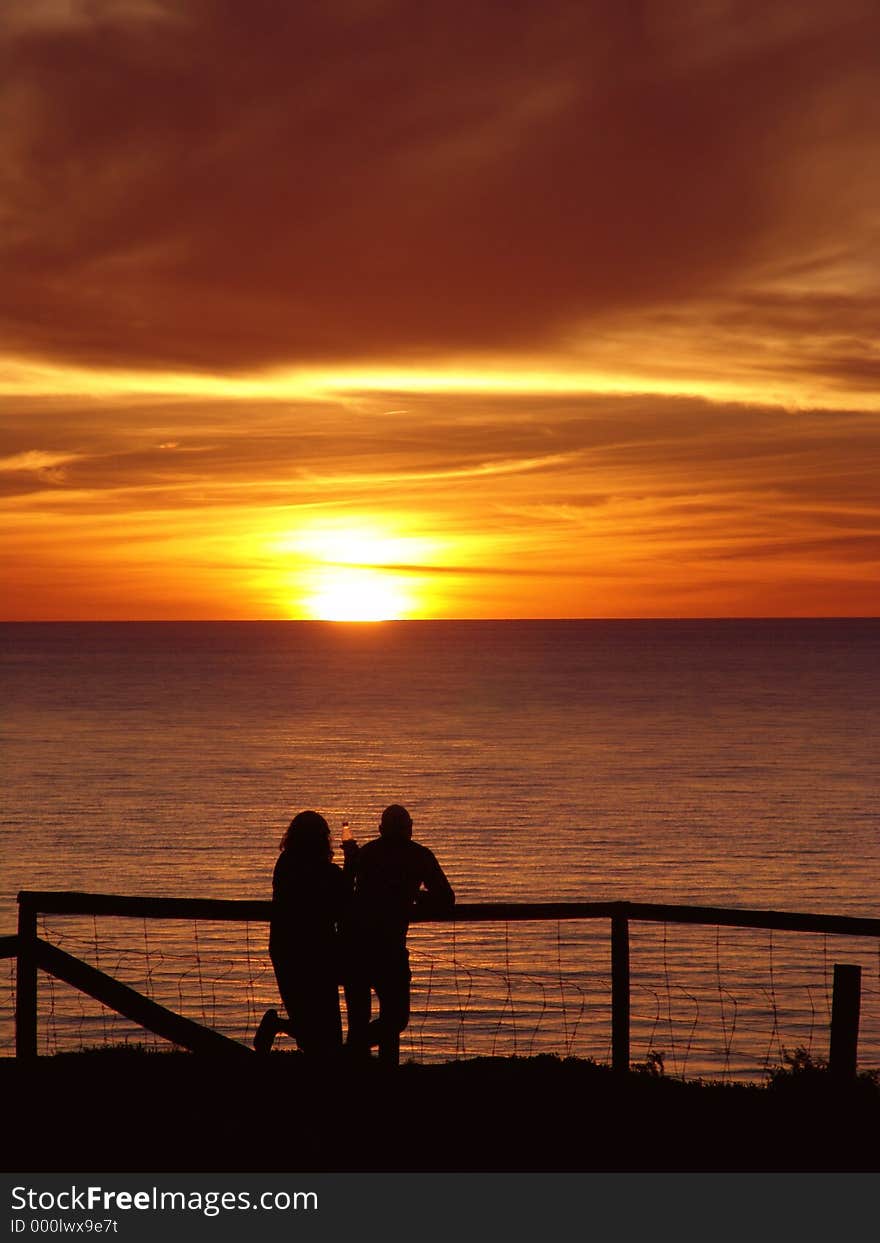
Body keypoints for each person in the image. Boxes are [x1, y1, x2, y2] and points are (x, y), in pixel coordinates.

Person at [343, 804, 454, 1064]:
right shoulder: (419, 856)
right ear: (410, 828)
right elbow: (446, 898)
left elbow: (345, 892)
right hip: (389, 948)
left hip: (356, 945)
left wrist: (350, 862)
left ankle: (348, 1056)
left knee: (363, 1019)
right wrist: (413, 896)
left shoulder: (368, 853)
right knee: (394, 1019)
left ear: (381, 829)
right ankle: (360, 1058)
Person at [254, 810, 356, 1057]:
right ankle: (280, 1028)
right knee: (326, 1028)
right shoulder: (322, 871)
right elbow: (342, 897)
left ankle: (278, 1026)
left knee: (303, 1014)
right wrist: (351, 864)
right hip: (317, 951)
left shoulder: (286, 864)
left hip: (284, 947)